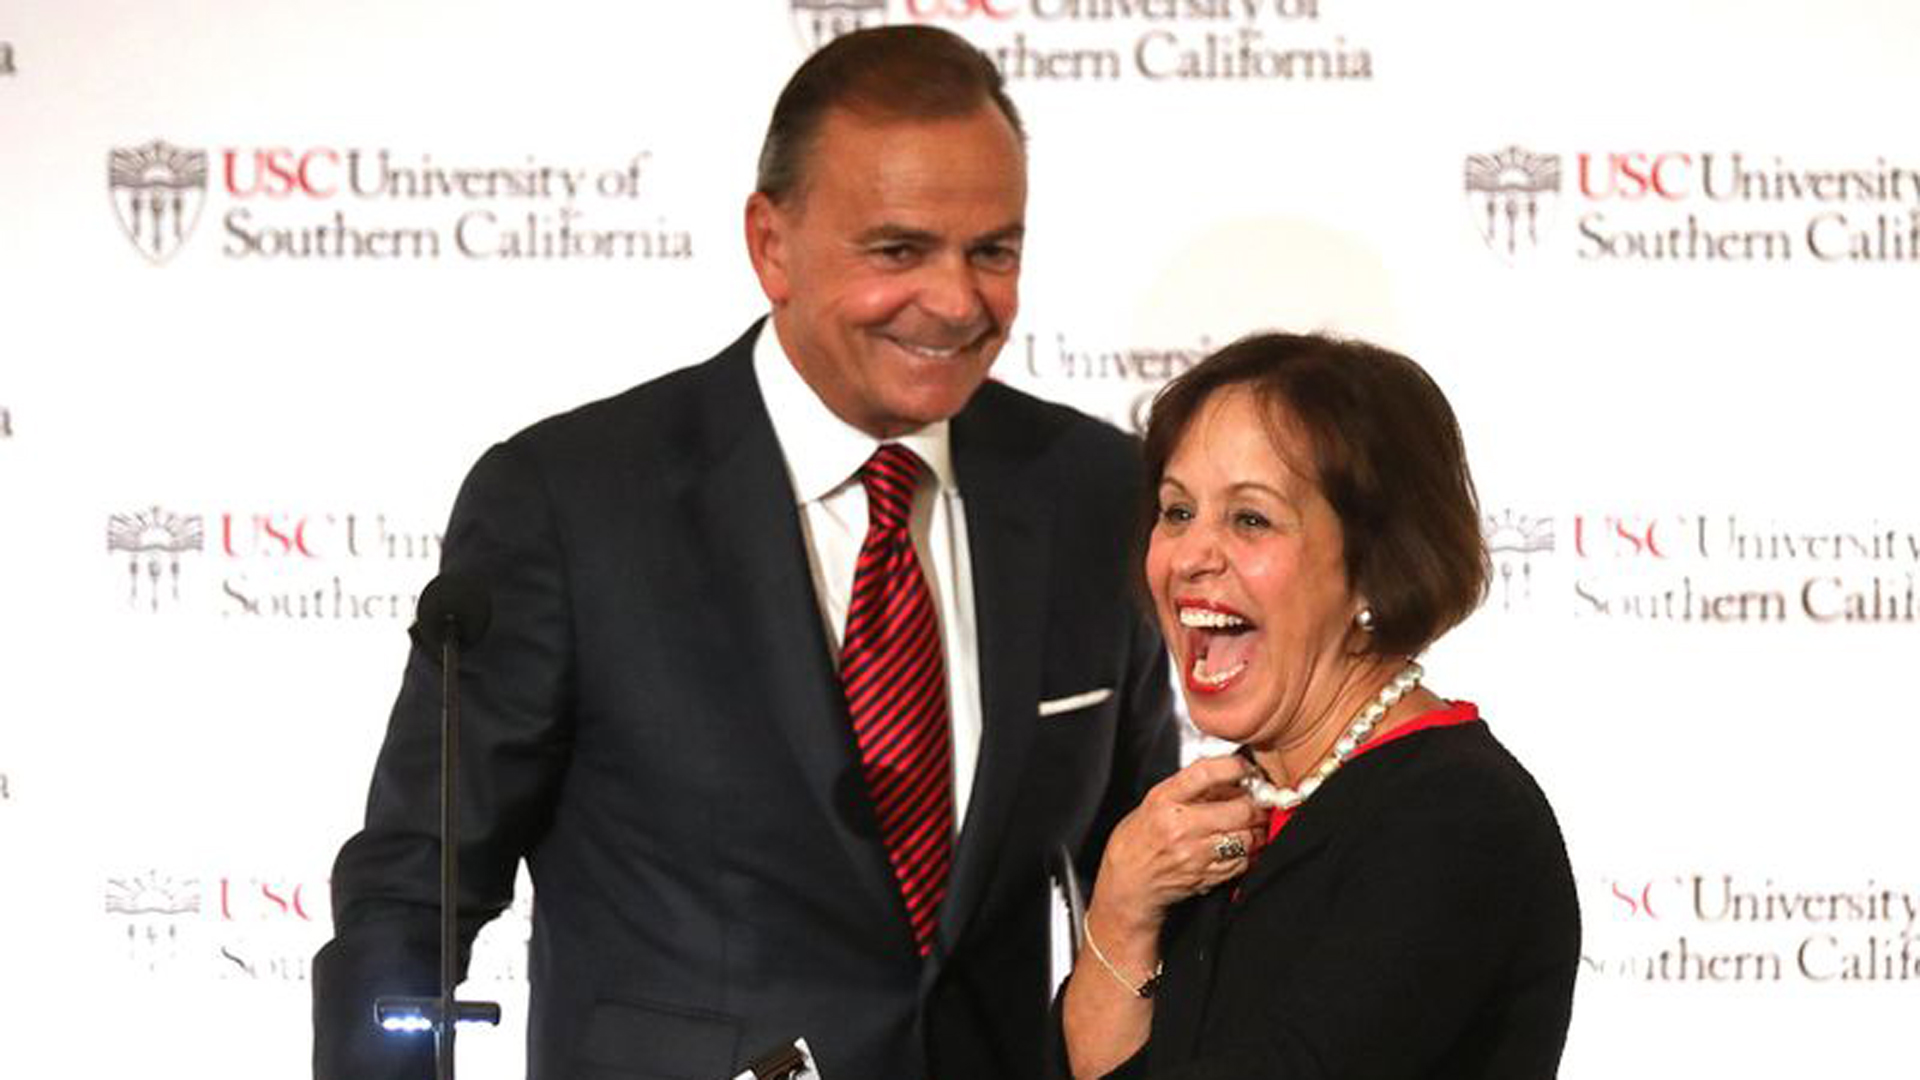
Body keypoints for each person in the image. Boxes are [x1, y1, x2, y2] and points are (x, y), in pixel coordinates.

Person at [312, 25, 1178, 1080]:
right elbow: (415, 891)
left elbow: (1142, 881)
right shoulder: (570, 503)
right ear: (771, 244)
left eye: (992, 251)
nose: (958, 302)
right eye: (898, 251)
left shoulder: (1096, 492)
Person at [1058, 333, 1579, 1078]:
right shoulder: (1218, 815)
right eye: (1177, 512)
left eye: (1250, 519)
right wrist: (1119, 910)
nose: (1191, 556)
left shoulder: (1457, 818)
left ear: (1376, 566)